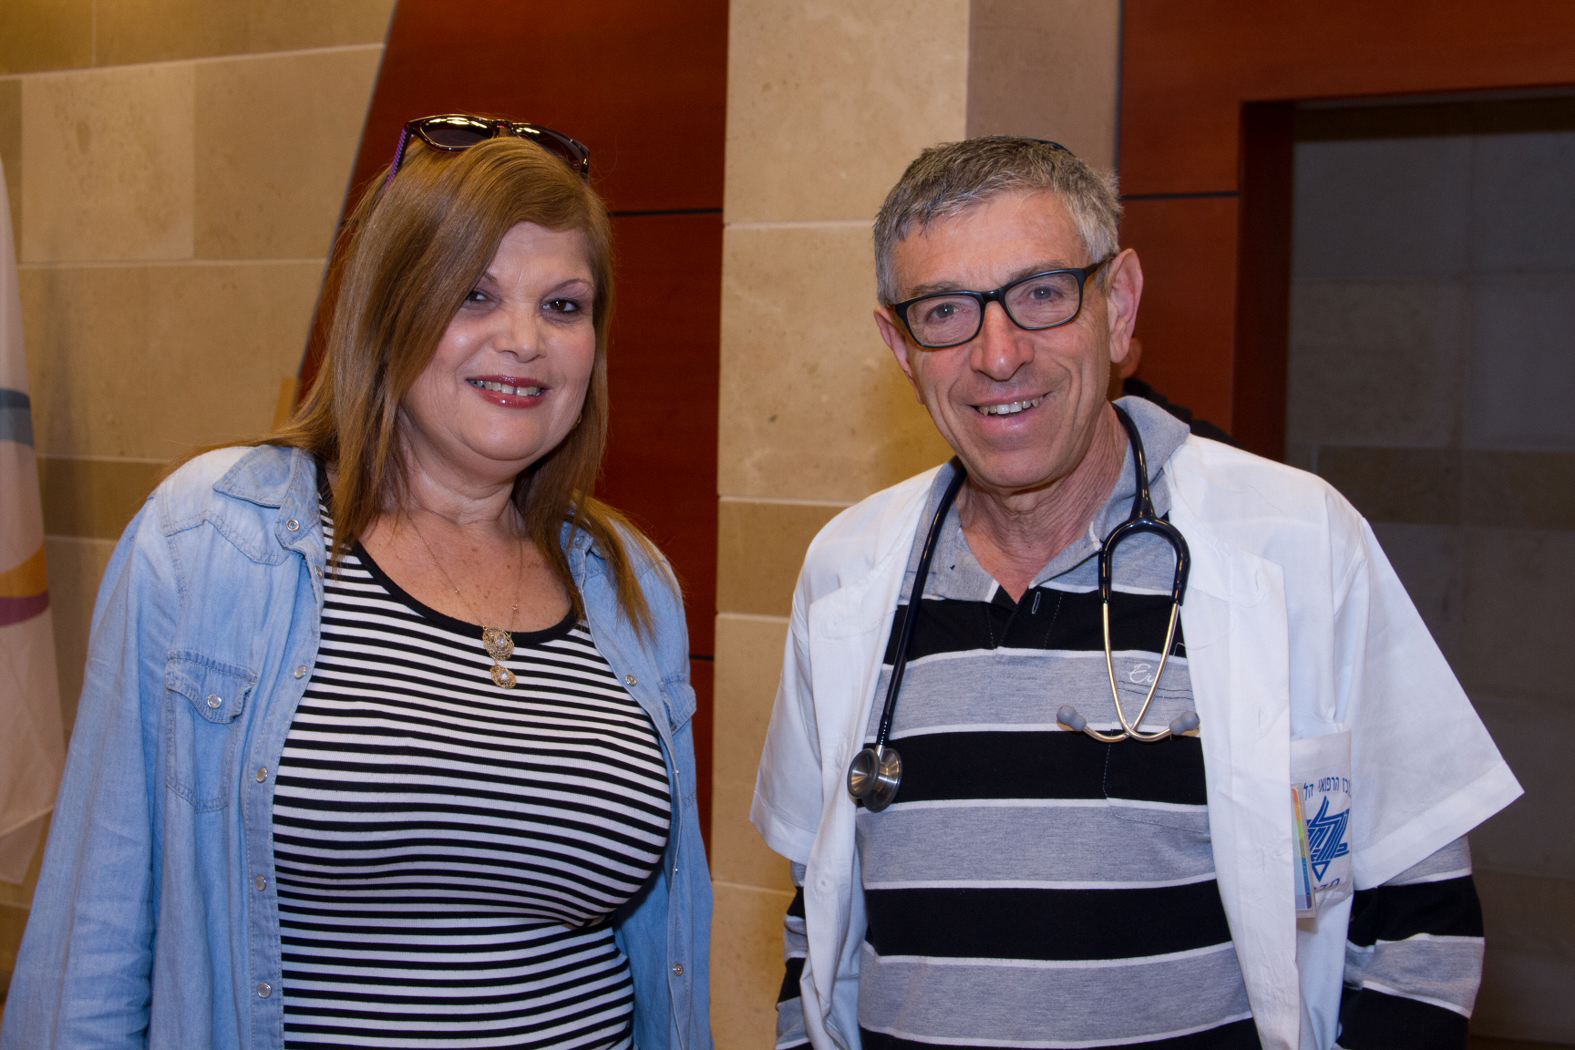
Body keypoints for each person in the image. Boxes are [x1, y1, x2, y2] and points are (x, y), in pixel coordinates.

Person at [751, 136, 1519, 1050]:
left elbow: (1423, 931)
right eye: (945, 310)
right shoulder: (847, 573)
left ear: (1116, 306)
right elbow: (815, 920)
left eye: (1041, 294)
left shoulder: (1296, 541)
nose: (997, 354)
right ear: (899, 346)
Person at [2, 114, 712, 1050]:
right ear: (390, 311)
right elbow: (94, 944)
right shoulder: (212, 538)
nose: (524, 341)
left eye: (562, 306)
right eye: (473, 294)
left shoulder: (630, 584)